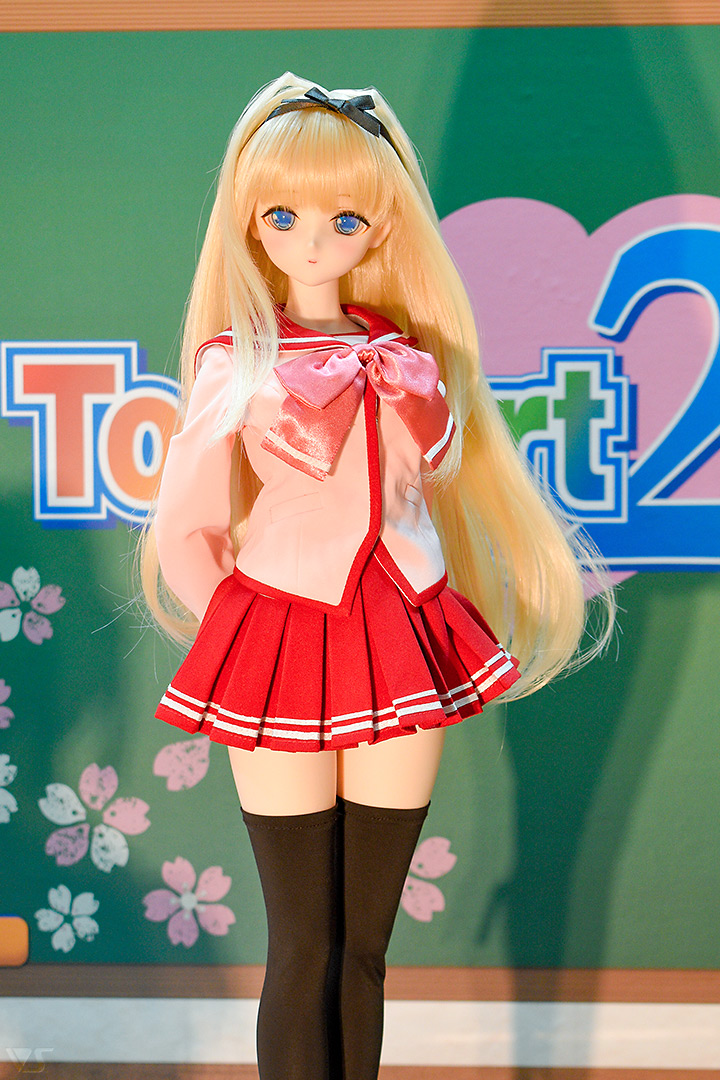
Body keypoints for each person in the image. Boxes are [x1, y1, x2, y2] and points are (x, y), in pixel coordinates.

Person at [142, 74, 613, 1080]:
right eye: (283, 216)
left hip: (400, 634)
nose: (313, 242)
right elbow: (188, 526)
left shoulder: (413, 363)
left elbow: (426, 492)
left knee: (364, 948)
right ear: (250, 223)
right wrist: (246, 627)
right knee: (301, 941)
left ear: (381, 226)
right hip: (281, 636)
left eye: (344, 218)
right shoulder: (237, 364)